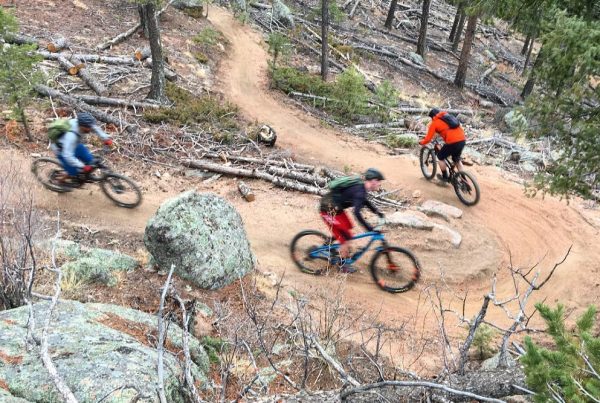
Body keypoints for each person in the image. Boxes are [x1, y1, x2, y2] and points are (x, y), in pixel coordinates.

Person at [319, 168, 385, 273]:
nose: (380, 184)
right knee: (346, 237)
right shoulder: (360, 192)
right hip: (327, 210)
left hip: (335, 208)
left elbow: (365, 201)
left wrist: (377, 212)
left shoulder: (362, 188)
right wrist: (369, 228)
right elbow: (357, 213)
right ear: (373, 181)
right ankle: (342, 265)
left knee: (348, 226)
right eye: (379, 181)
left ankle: (329, 246)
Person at [51, 112, 113, 184]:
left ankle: (82, 174)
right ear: (82, 126)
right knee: (73, 171)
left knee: (90, 160)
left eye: (90, 126)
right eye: (88, 127)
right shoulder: (71, 136)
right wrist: (82, 166)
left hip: (75, 145)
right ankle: (59, 182)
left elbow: (94, 128)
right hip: (61, 150)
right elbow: (67, 155)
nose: (90, 129)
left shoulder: (84, 123)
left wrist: (106, 138)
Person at [419, 108, 466, 183]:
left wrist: (421, 142)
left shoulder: (434, 123)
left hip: (452, 142)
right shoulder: (449, 117)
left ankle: (445, 177)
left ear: (432, 117)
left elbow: (428, 139)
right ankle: (464, 179)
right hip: (462, 139)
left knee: (440, 157)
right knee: (456, 159)